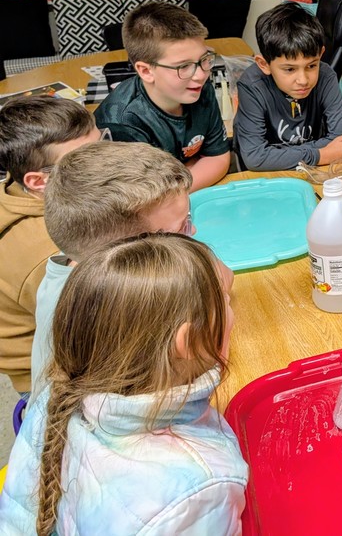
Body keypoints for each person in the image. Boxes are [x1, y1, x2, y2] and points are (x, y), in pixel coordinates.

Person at [0, 233, 248, 535]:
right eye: (224, 302)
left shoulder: (57, 393)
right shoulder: (198, 490)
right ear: (190, 341)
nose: (230, 309)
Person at [29, 141, 202, 403]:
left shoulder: (85, 257)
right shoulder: (109, 307)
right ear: (125, 257)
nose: (194, 232)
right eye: (182, 228)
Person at [0, 97, 104, 395]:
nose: (106, 161)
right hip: (54, 374)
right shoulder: (51, 252)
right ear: (38, 181)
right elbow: (99, 329)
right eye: (83, 161)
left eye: (102, 145)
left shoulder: (23, 185)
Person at [95, 1, 230, 191]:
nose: (201, 75)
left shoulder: (198, 88)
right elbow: (148, 193)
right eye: (183, 66)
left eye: (204, 59)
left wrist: (180, 178)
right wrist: (192, 165)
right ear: (146, 71)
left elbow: (218, 158)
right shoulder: (122, 122)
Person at [234, 2, 342, 171]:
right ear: (264, 64)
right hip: (270, 174)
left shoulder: (326, 75)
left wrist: (279, 155)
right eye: (290, 69)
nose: (303, 80)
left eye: (312, 66)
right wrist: (321, 155)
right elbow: (255, 158)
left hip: (312, 171)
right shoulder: (252, 85)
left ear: (321, 54)